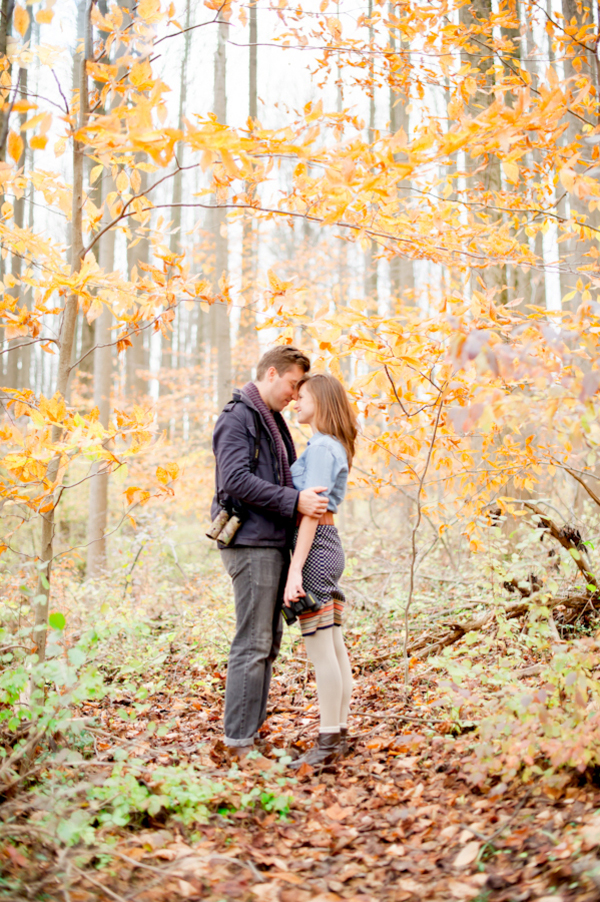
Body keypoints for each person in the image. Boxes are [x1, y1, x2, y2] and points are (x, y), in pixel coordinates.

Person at [211, 346, 329, 755]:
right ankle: (237, 745)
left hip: (271, 542)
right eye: (294, 384)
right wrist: (293, 502)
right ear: (273, 373)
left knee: (268, 644)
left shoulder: (273, 421)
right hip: (250, 545)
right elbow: (234, 482)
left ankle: (251, 736)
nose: (296, 395)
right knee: (253, 643)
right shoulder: (237, 418)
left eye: (300, 388)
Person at [284, 373, 357, 767]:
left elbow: (310, 513)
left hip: (315, 549)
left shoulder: (322, 448)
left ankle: (328, 742)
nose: (296, 402)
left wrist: (295, 572)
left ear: (322, 402)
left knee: (320, 650)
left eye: (304, 396)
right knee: (333, 646)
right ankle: (339, 733)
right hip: (327, 546)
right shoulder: (328, 446)